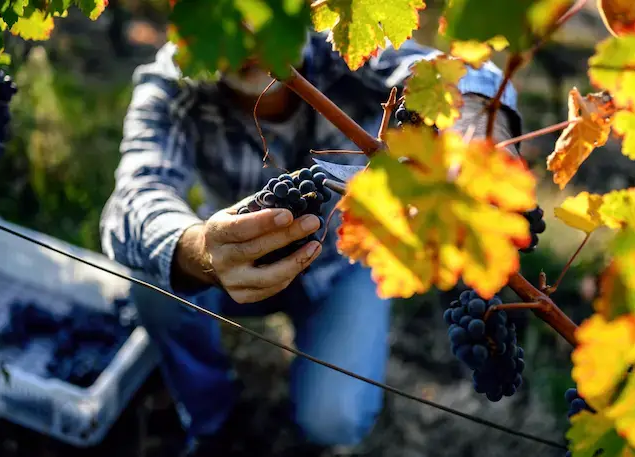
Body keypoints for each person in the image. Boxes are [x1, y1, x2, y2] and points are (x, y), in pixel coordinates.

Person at [99, 30, 523, 457]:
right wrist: (196, 249)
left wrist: (476, 117)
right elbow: (133, 199)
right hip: (228, 264)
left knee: (334, 419)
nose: (248, 36)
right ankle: (211, 420)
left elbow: (465, 70)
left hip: (341, 267)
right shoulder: (178, 77)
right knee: (153, 273)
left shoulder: (346, 39)